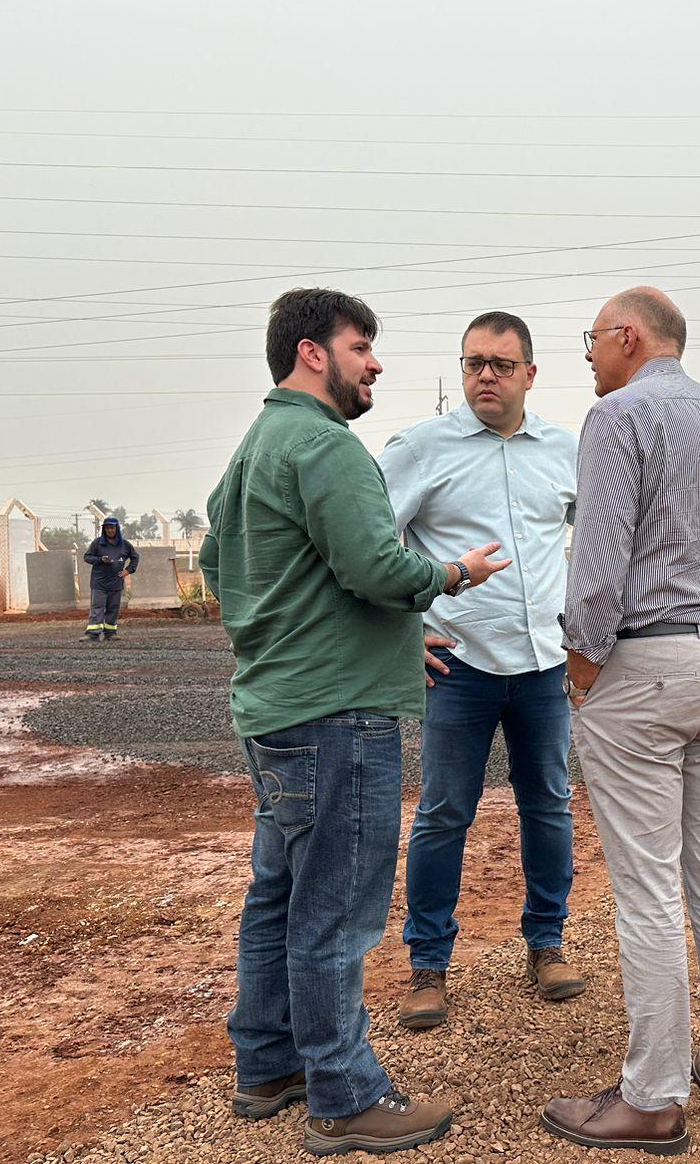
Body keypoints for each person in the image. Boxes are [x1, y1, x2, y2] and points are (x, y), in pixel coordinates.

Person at [201, 288, 509, 1158]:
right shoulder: (324, 444)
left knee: (281, 896)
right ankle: (342, 1093)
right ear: (312, 353)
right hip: (340, 719)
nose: (374, 363)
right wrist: (451, 575)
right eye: (361, 345)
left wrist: (306, 635)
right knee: (336, 912)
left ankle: (266, 1067)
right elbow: (376, 566)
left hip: (277, 708)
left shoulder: (255, 446)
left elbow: (222, 564)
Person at [540, 288, 700, 1155]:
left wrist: (582, 661)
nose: (590, 356)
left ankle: (651, 1096)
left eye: (593, 340)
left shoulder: (619, 419)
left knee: (647, 886)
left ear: (630, 337)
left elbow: (599, 561)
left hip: (644, 662)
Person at [378, 311, 584, 1031]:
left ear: (531, 373)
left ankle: (547, 944)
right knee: (442, 815)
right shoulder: (420, 449)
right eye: (472, 364)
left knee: (549, 806)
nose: (485, 376)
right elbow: (372, 548)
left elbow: (597, 542)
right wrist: (403, 633)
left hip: (542, 668)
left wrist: (585, 634)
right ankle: (428, 965)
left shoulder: (566, 450)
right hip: (456, 666)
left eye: (500, 363)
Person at [82, 516, 138, 642]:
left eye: (112, 527)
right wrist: (100, 560)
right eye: (107, 528)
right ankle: (92, 634)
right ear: (104, 529)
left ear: (116, 529)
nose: (110, 530)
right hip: (99, 582)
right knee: (97, 607)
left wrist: (128, 570)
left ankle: (110, 633)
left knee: (113, 608)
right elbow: (87, 557)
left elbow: (135, 557)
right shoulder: (97, 543)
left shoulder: (125, 545)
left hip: (116, 582)